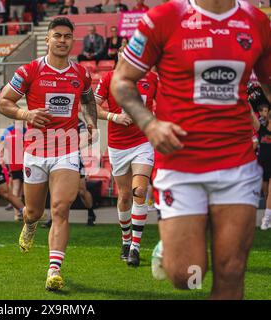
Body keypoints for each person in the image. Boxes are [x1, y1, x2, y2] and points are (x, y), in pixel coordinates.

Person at [110, 0, 271, 299]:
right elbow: (121, 81)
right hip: (180, 164)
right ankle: (176, 244)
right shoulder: (163, 18)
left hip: (237, 163)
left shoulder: (256, 21)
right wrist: (150, 123)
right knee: (187, 275)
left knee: (232, 270)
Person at [0, 17, 98, 291]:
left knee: (61, 208)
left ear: (72, 40)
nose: (63, 40)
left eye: (67, 36)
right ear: (48, 39)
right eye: (58, 36)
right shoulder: (29, 70)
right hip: (35, 150)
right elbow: (3, 102)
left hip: (66, 148)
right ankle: (29, 225)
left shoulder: (81, 74)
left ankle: (54, 269)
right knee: (33, 211)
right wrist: (25, 113)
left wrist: (91, 124)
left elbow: (89, 100)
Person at [96, 46, 157, 266]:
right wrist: (114, 117)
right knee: (123, 196)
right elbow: (93, 107)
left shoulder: (151, 78)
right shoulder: (108, 79)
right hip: (118, 145)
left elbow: (166, 104)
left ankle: (135, 248)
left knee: (139, 190)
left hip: (143, 142)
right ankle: (125, 240)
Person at [251, 106, 271, 230]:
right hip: (262, 166)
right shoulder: (262, 130)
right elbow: (252, 117)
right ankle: (267, 215)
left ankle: (266, 219)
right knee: (266, 193)